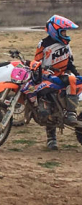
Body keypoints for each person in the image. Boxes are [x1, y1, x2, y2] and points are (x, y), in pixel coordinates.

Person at [34, 15, 80, 150]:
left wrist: (76, 74)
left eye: (66, 32)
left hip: (62, 74)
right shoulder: (43, 44)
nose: (66, 34)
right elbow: (36, 62)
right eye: (63, 32)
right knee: (48, 106)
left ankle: (71, 112)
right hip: (47, 76)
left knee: (72, 79)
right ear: (55, 30)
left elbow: (70, 62)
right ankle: (51, 138)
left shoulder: (66, 45)